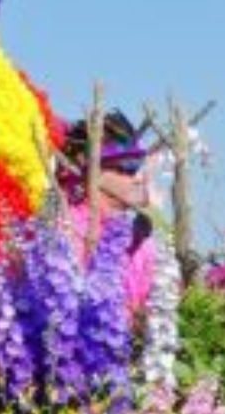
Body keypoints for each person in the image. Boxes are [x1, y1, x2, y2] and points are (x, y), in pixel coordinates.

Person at [58, 109, 156, 311]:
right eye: (125, 168)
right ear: (94, 173)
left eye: (137, 169)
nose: (137, 179)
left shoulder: (142, 239)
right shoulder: (64, 231)